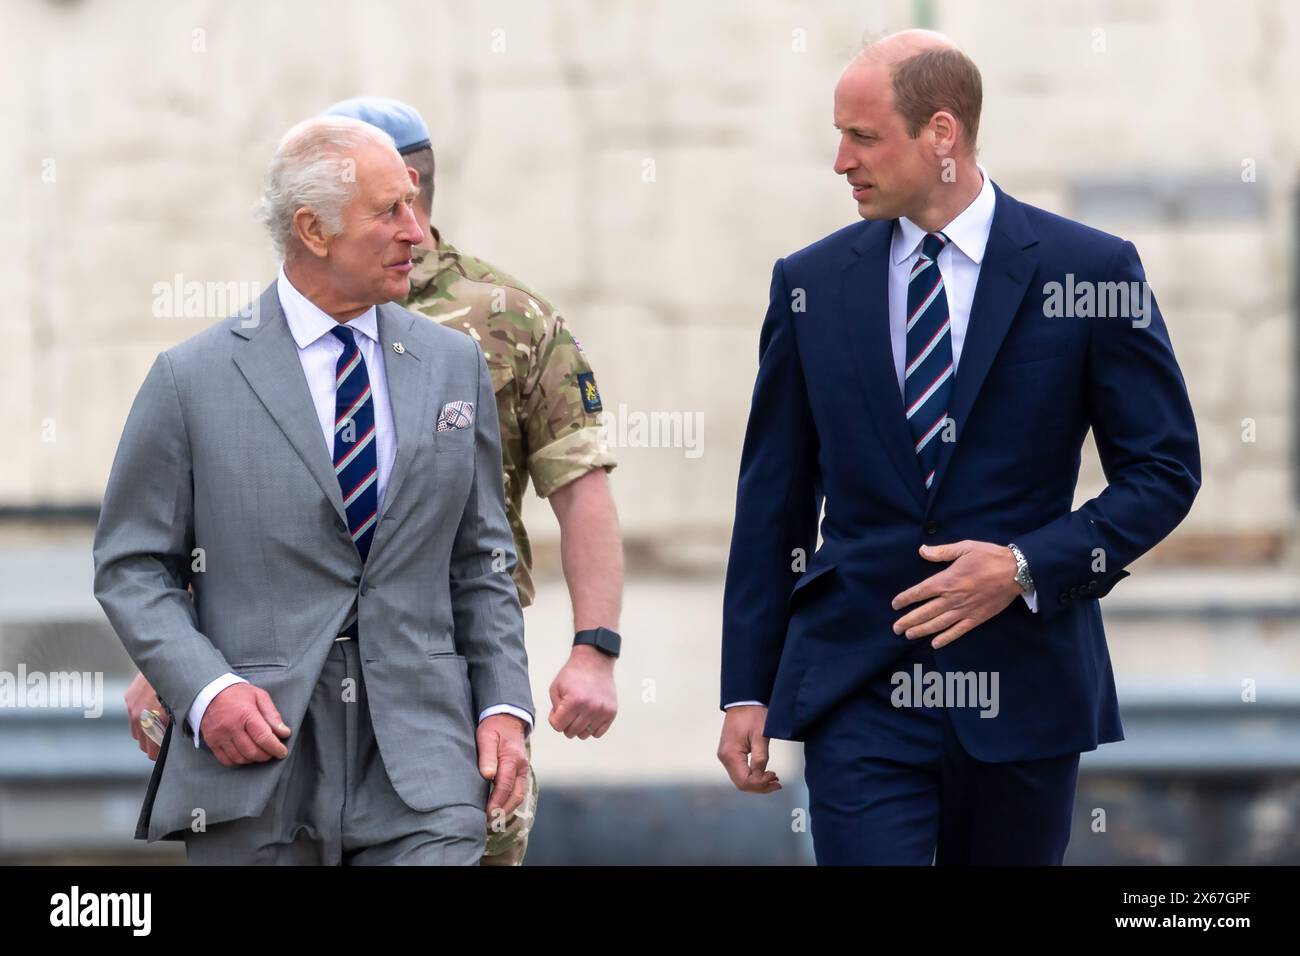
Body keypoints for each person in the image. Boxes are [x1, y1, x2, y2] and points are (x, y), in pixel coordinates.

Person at [716, 30, 1200, 864]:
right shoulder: (809, 285)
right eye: (840, 135)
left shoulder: (1091, 270)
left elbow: (1163, 471)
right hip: (858, 686)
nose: (841, 161)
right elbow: (775, 499)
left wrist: (1023, 565)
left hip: (1027, 687)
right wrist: (746, 688)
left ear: (942, 134)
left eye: (863, 137)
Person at [123, 97, 625, 866]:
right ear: (313, 230)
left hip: (426, 760)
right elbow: (135, 566)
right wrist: (197, 684)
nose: (417, 232)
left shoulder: (457, 356)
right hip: (260, 757)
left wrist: (504, 704)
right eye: (390, 210)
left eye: (416, 204)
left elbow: (481, 557)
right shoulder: (191, 379)